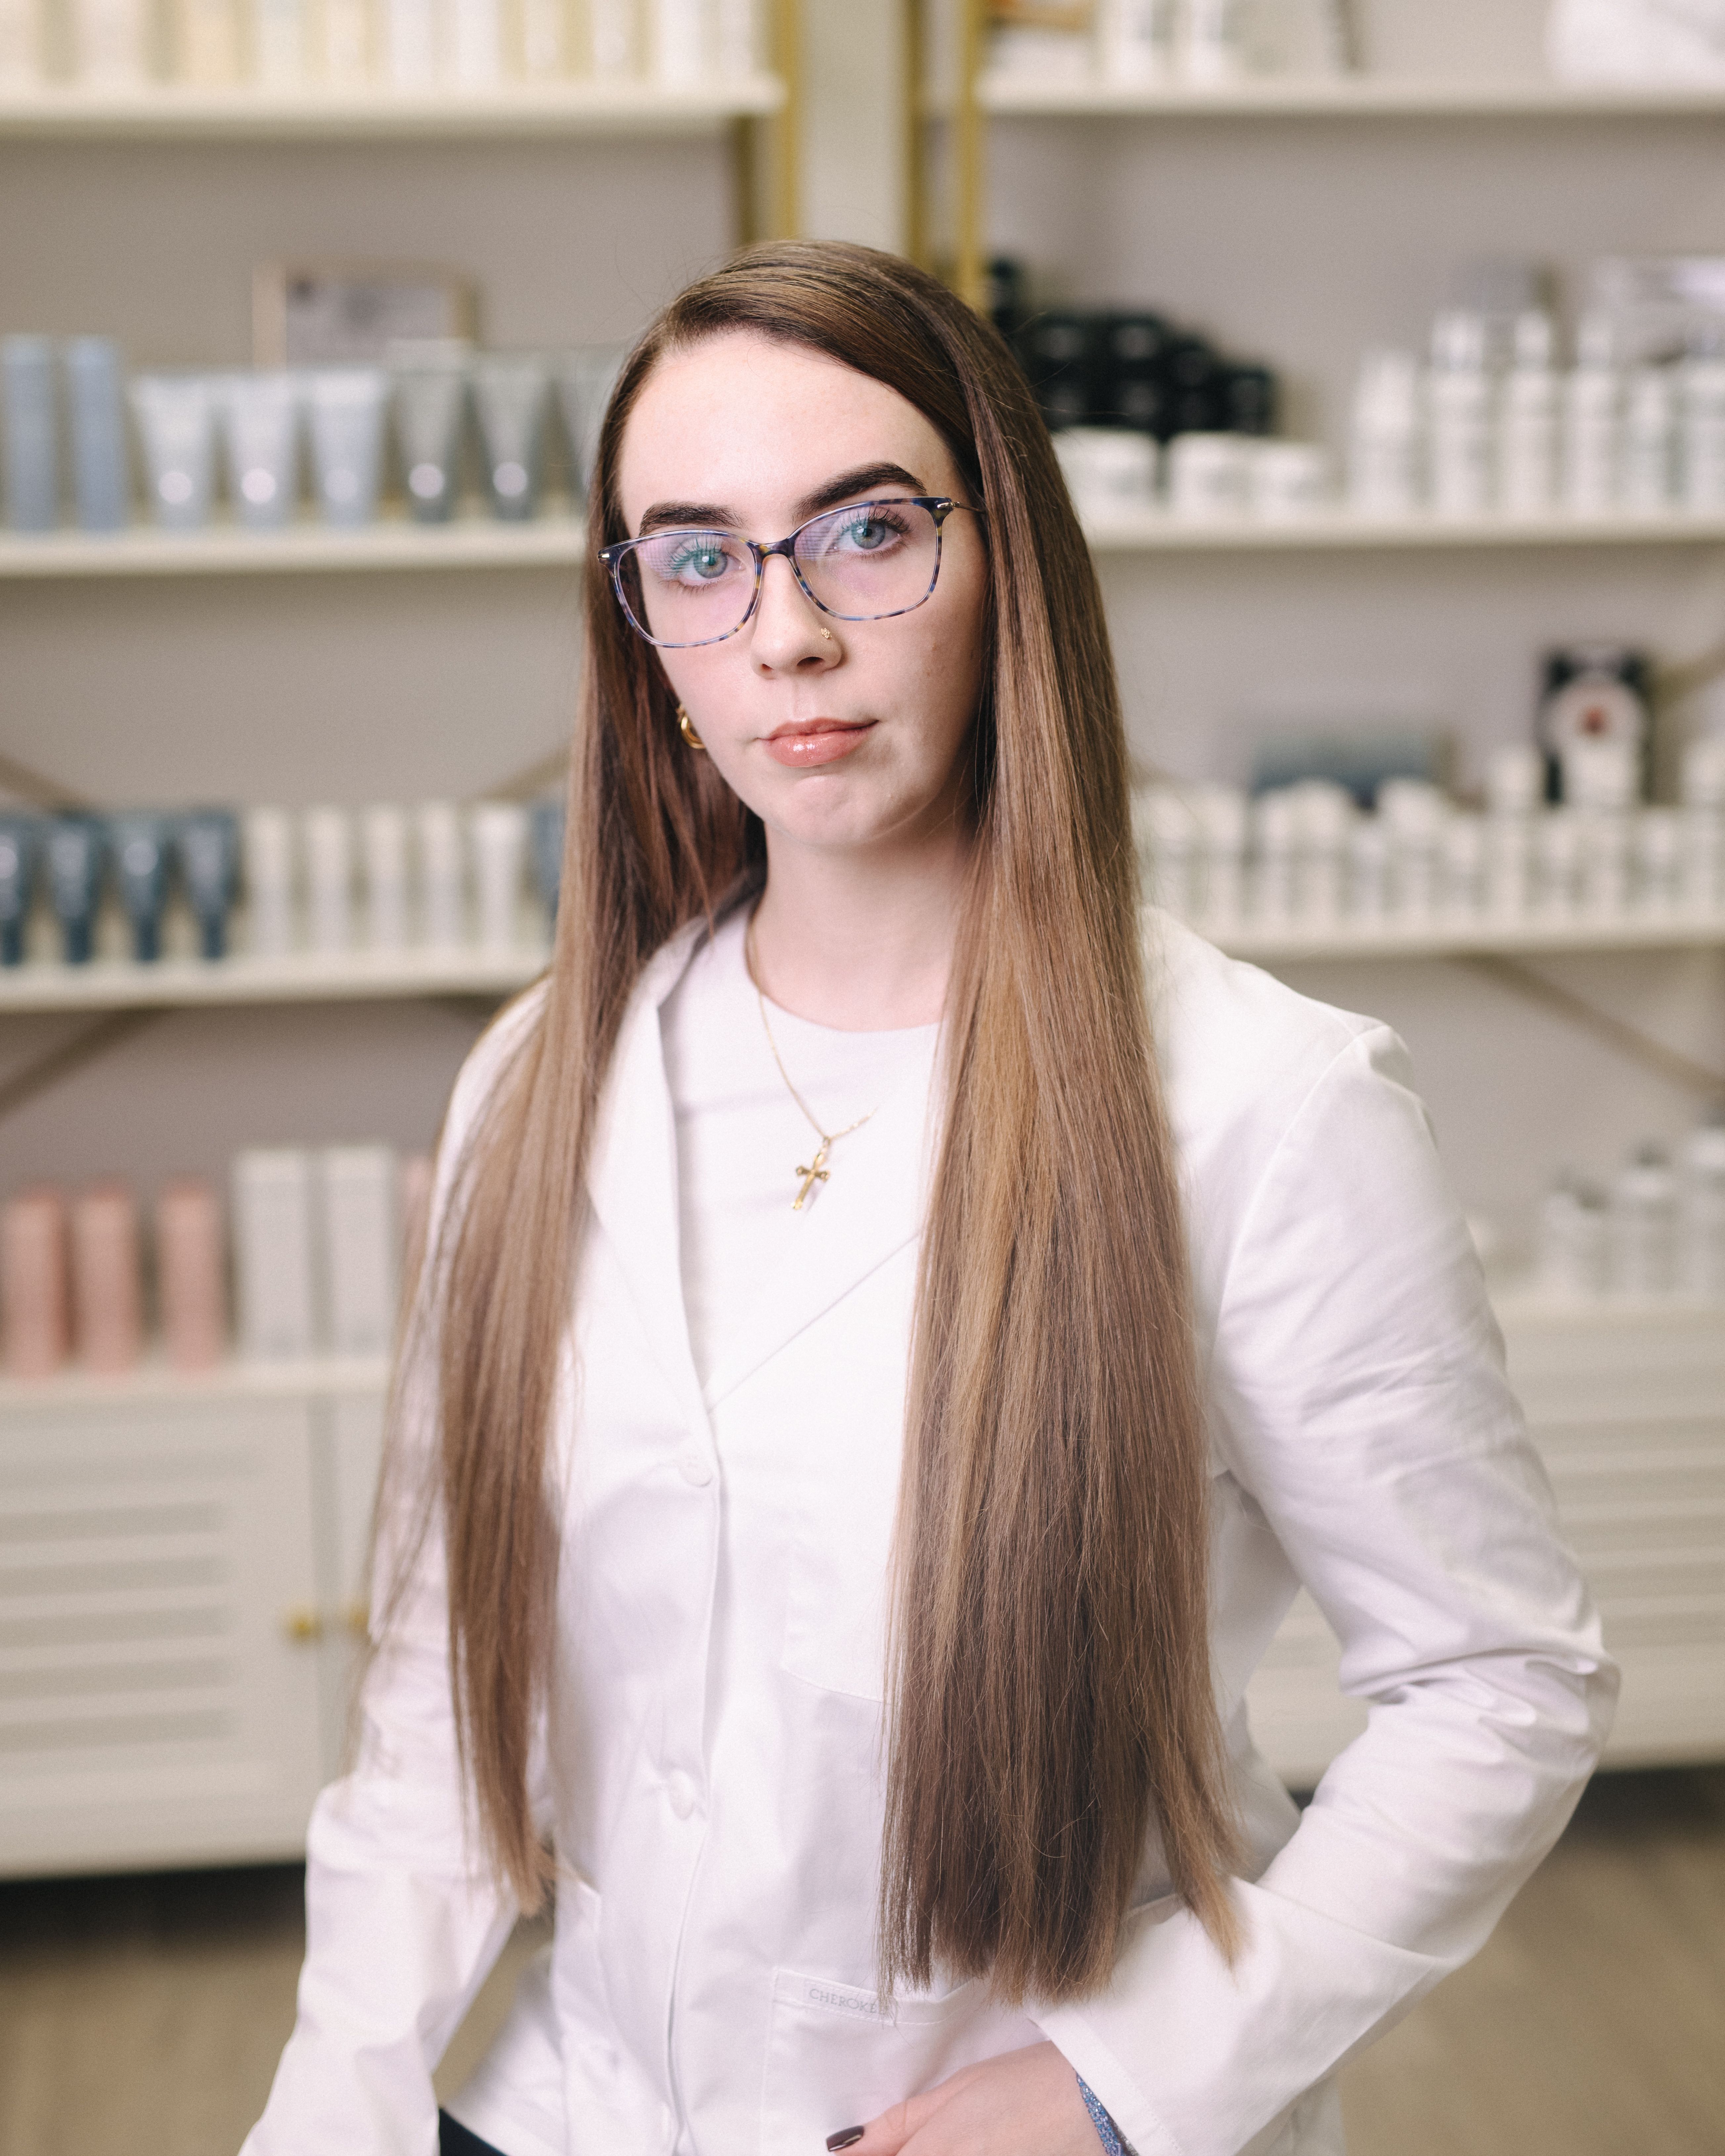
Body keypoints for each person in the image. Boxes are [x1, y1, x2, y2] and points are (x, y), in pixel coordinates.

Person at [242, 241, 1615, 2156]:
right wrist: (333, 2113)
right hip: (569, 2104)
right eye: (698, 556)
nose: (786, 634)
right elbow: (433, 1711)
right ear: (637, 618)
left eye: (866, 532)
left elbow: (1497, 1683)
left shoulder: (1260, 1106)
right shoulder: (542, 1080)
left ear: (1009, 561)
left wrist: (1120, 2088)